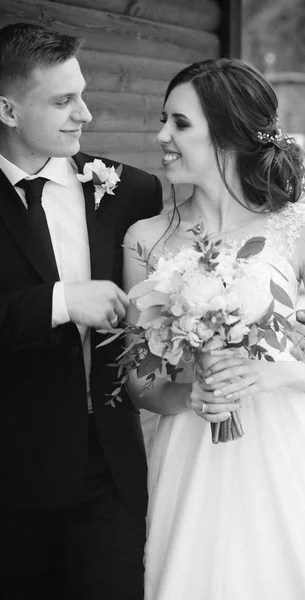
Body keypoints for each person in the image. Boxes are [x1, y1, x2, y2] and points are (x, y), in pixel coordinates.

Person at [0, 23, 162, 600]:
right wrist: (61, 302)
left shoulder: (132, 192)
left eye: (83, 94)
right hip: (10, 479)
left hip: (111, 470)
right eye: (64, 100)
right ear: (7, 109)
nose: (85, 115)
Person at [123, 58, 305, 600]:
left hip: (283, 450)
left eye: (180, 123)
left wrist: (269, 375)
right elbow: (139, 385)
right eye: (164, 120)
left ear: (226, 134)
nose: (162, 136)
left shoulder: (293, 227)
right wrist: (189, 393)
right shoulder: (147, 239)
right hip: (190, 459)